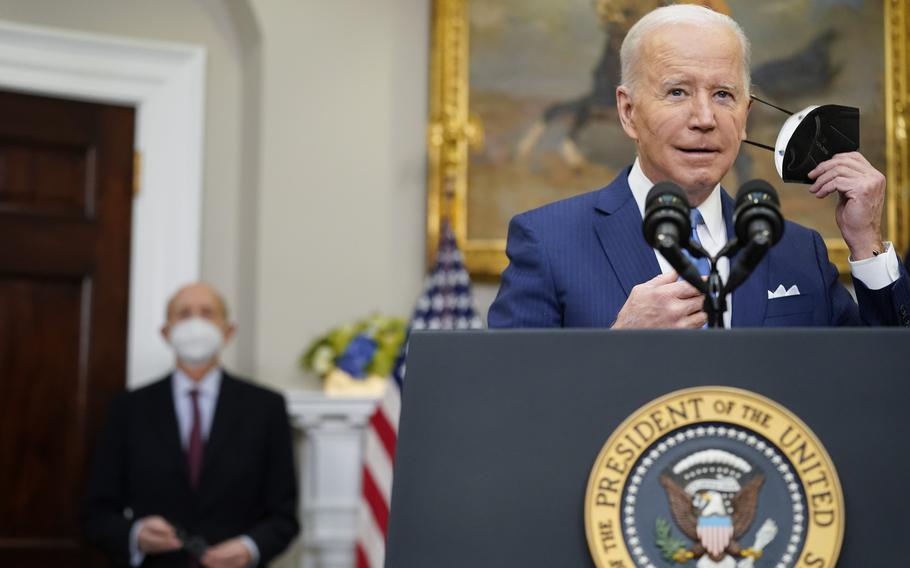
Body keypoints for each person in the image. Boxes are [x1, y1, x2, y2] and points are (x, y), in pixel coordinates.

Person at [489, 4, 910, 329]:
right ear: (628, 112)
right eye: (677, 92)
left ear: (745, 115)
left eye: (724, 95)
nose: (705, 118)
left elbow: (878, 387)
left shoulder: (800, 252)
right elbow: (513, 404)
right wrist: (617, 342)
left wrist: (866, 242)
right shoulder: (548, 242)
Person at [85, 283, 299, 567]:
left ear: (228, 331)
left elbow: (284, 516)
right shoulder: (129, 408)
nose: (196, 323)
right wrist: (136, 535)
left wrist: (250, 548)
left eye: (207, 313)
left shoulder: (266, 407)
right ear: (166, 331)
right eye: (184, 314)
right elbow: (97, 512)